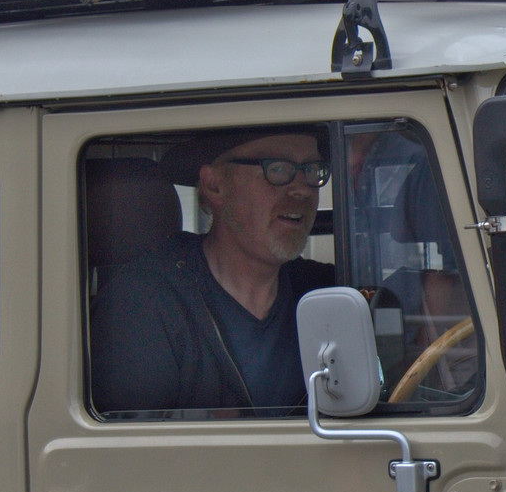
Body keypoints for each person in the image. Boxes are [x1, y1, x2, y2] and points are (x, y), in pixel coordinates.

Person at [90, 127, 334, 416]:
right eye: (278, 169)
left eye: (312, 170)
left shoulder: (327, 292)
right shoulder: (143, 304)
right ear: (214, 185)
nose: (303, 189)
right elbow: (131, 440)